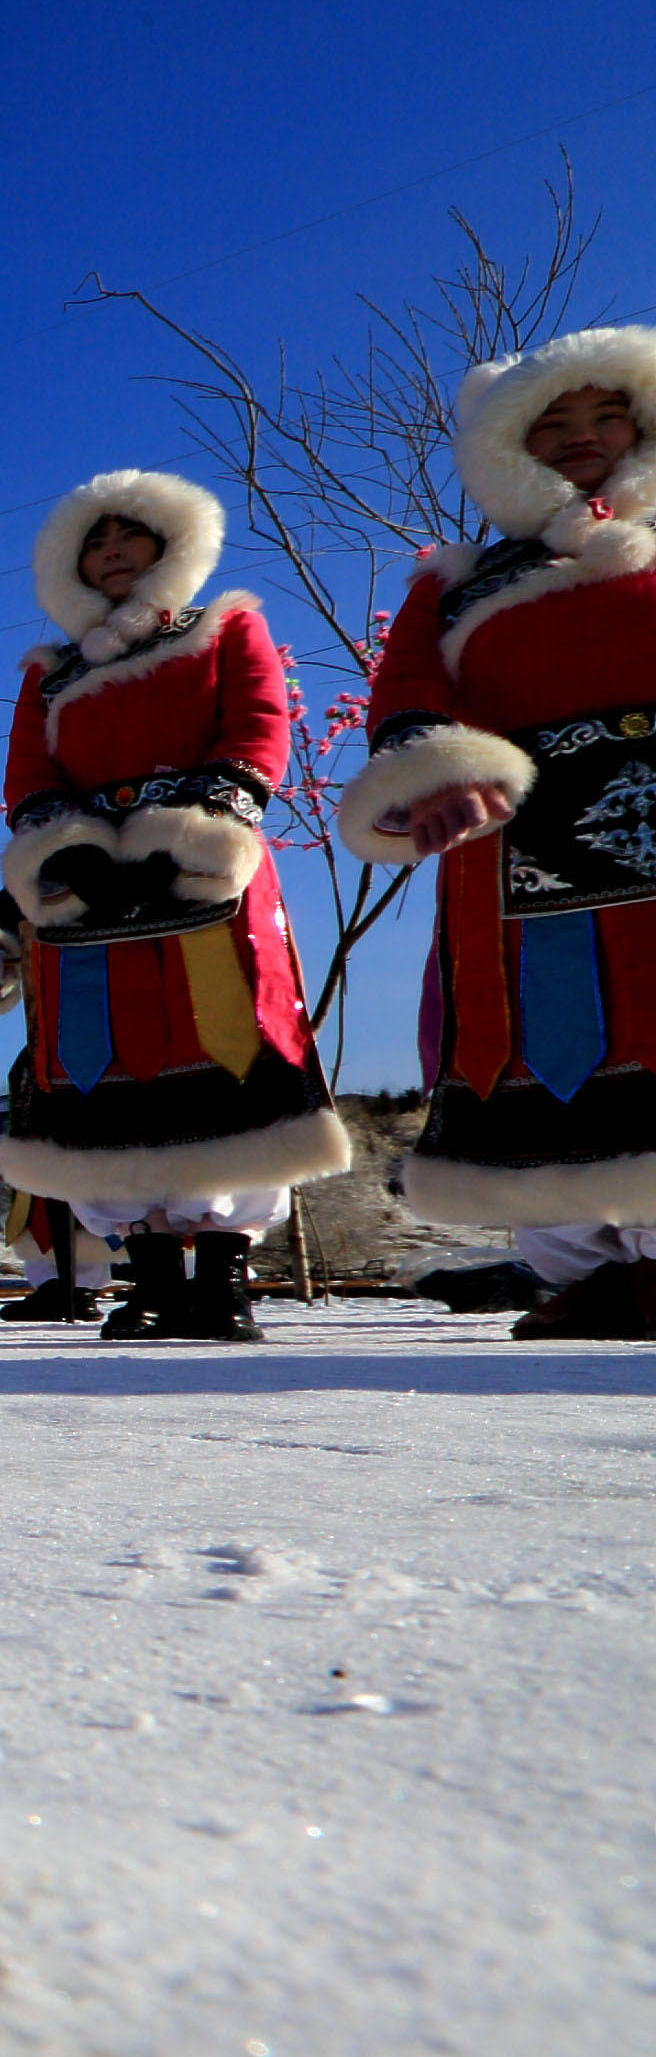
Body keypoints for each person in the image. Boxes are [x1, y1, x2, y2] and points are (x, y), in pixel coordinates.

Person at [0, 473, 349, 1344]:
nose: (115, 550)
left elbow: (256, 726)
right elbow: (30, 776)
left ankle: (223, 1274)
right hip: (86, 893)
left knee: (220, 1048)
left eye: (133, 535)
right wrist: (70, 846)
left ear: (172, 548)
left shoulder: (223, 629)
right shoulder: (49, 679)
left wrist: (199, 825)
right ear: (71, 565)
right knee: (107, 1062)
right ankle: (151, 1272)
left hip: (199, 875)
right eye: (97, 541)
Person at [340, 325, 656, 1340]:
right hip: (517, 850)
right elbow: (410, 693)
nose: (581, 435)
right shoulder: (460, 580)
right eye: (551, 421)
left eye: (605, 412)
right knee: (536, 1046)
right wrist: (437, 771)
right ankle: (584, 1270)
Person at [0, 888, 106, 1323]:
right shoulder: (47, 843)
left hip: (167, 1011)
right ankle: (63, 1277)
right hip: (64, 1025)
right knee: (40, 1126)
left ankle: (195, 1272)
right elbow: (10, 902)